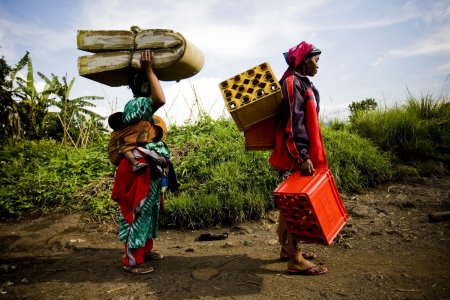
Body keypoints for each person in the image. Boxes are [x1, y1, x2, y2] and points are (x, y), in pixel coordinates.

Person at [269, 41, 328, 275]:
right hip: (293, 156)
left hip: (301, 155)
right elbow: (291, 124)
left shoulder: (304, 83)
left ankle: (289, 250)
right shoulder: (293, 83)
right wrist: (301, 156)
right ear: (304, 60)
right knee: (292, 206)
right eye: (315, 60)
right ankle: (295, 259)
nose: (317, 65)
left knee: (290, 206)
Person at [111, 49, 170, 274]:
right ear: (142, 85)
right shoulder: (134, 105)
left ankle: (145, 250)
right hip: (137, 167)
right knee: (137, 210)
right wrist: (149, 70)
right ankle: (132, 261)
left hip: (147, 166)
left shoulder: (145, 116)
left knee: (150, 210)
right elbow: (161, 99)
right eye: (148, 81)